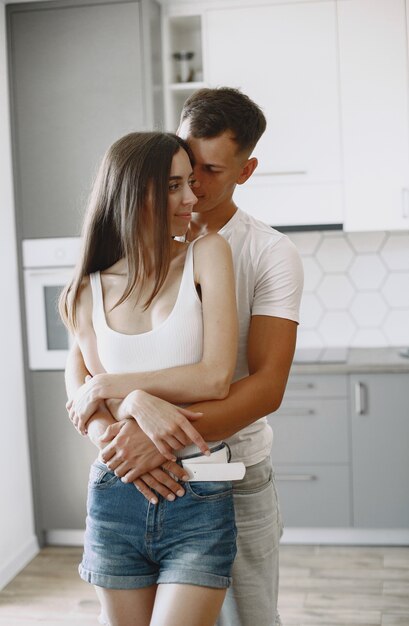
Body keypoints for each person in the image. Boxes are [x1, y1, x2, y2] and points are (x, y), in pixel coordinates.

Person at [67, 88, 304, 626]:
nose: (193, 185)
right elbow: (84, 366)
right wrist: (114, 430)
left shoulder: (264, 252)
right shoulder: (117, 262)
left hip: (229, 471)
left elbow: (263, 386)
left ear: (246, 171)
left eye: (210, 171)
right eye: (183, 167)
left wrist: (147, 429)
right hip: (128, 471)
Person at [60, 131, 241, 626]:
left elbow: (214, 376)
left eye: (190, 183)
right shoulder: (85, 290)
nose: (191, 197)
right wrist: (134, 401)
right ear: (131, 193)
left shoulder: (207, 254)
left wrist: (115, 386)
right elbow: (84, 401)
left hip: (198, 489)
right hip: (118, 489)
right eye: (172, 186)